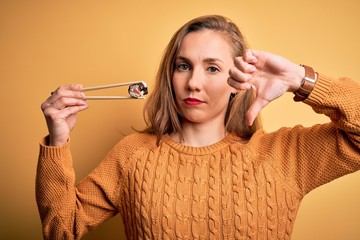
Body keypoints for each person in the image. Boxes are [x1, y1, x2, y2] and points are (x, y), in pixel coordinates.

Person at [36, 15, 360, 240]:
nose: (193, 82)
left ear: (237, 81)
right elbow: (62, 229)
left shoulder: (283, 156)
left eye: (213, 68)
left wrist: (299, 80)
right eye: (183, 66)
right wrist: (58, 139)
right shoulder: (133, 155)